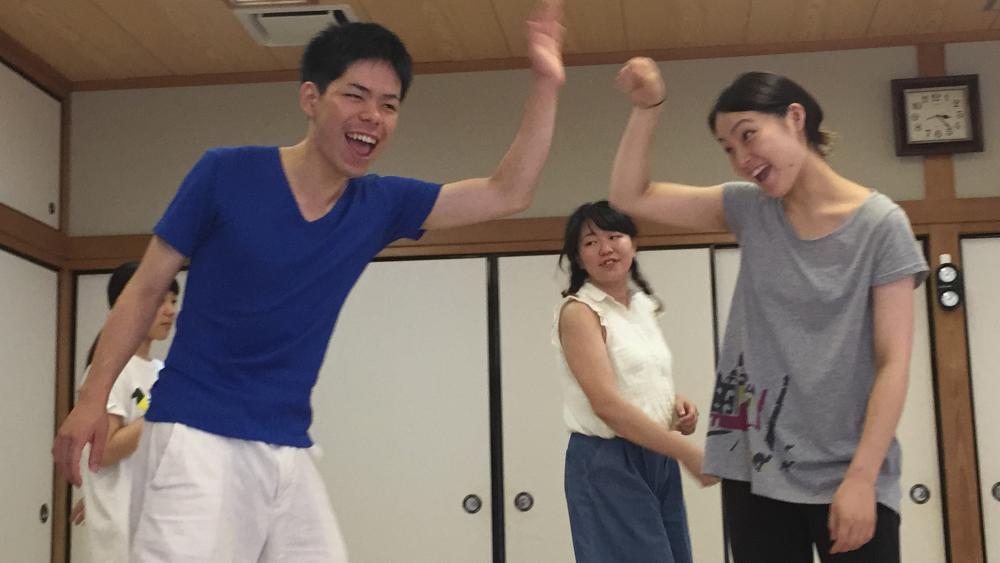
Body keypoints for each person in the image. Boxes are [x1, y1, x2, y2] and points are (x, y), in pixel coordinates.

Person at [52, 2, 565, 561]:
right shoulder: (225, 173)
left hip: (288, 446)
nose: (373, 115)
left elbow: (508, 192)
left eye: (389, 104)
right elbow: (146, 287)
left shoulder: (378, 205)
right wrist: (91, 399)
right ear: (310, 98)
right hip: (194, 437)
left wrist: (546, 84)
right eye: (355, 95)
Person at [608, 60, 928, 563]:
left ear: (795, 118)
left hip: (850, 469)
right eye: (728, 148)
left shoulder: (882, 225)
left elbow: (894, 362)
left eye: (748, 135)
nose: (741, 159)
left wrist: (863, 478)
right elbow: (630, 197)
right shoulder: (749, 208)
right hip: (753, 465)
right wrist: (647, 107)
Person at [554, 200, 715, 563]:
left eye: (614, 236)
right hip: (607, 459)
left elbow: (635, 381)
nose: (606, 248)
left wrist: (673, 406)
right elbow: (607, 405)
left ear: (633, 243)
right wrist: (687, 452)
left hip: (655, 453)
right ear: (578, 258)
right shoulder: (580, 312)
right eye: (591, 242)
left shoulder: (642, 306)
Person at [75, 262, 180, 563]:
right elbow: (104, 451)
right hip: (123, 539)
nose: (170, 311)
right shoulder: (109, 371)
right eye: (159, 301)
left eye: (173, 300)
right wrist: (162, 410)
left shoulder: (160, 371)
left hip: (156, 527)